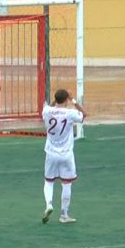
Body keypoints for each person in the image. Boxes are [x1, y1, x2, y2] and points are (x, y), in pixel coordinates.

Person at [41, 89, 86, 224]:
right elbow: (84, 115)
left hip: (51, 153)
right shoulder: (70, 113)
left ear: (55, 99)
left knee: (49, 181)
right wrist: (73, 100)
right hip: (66, 154)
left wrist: (55, 100)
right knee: (66, 183)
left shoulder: (47, 111)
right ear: (66, 99)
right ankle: (64, 215)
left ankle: (49, 204)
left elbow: (48, 107)